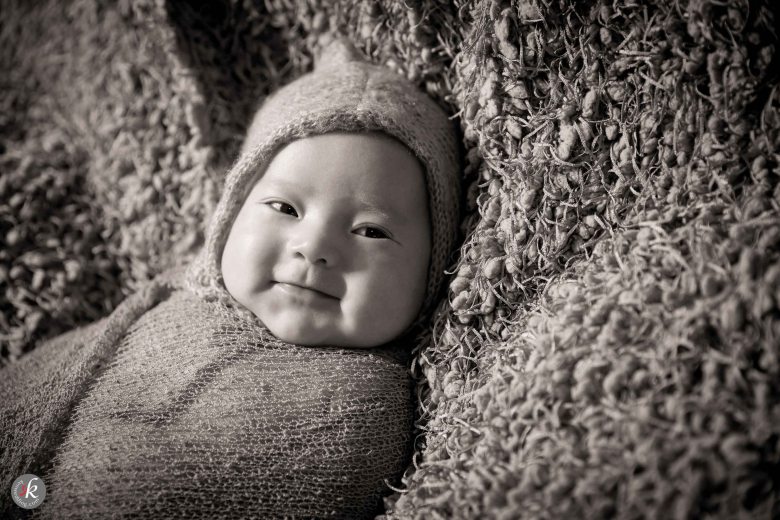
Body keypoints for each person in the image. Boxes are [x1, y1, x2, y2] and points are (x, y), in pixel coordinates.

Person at [0, 38, 461, 519]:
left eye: (371, 231)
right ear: (229, 215)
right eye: (284, 207)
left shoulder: (362, 410)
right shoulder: (173, 300)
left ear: (433, 269)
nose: (314, 248)